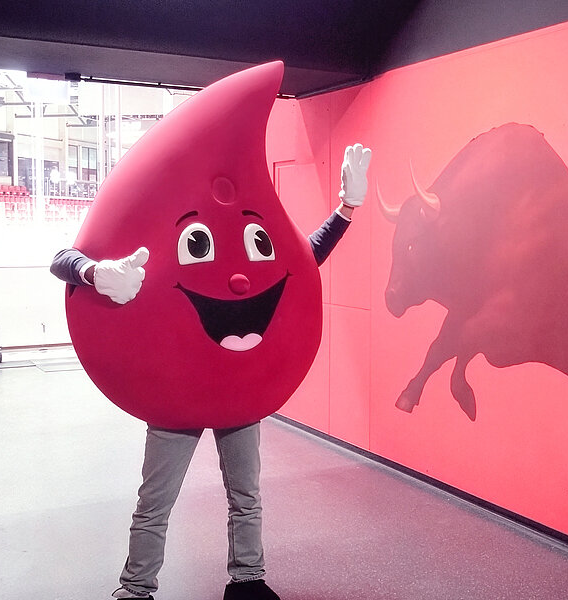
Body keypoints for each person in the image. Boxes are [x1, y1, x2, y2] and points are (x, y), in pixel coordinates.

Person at [51, 144, 372, 600]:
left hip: (236, 393)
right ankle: (135, 589)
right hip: (175, 396)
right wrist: (92, 270)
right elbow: (62, 258)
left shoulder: (240, 242)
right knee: (154, 503)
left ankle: (247, 581)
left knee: (246, 497)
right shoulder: (156, 231)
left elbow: (303, 257)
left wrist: (347, 208)